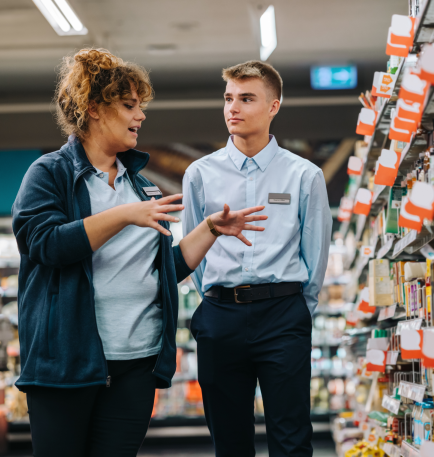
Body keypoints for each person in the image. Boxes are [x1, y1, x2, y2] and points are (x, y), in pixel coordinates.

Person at [11, 48, 267, 457]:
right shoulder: (50, 174)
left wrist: (211, 230)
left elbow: (162, 270)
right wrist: (123, 215)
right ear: (93, 109)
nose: (141, 116)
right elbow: (44, 244)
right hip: (68, 363)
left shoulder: (140, 185)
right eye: (130, 106)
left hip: (137, 363)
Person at [182, 60, 332, 456]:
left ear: (273, 107)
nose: (233, 108)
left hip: (283, 315)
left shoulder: (304, 175)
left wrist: (299, 310)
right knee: (229, 442)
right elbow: (192, 251)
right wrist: (216, 300)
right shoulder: (199, 174)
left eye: (247, 98)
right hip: (220, 317)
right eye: (229, 98)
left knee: (292, 438)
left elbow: (315, 255)